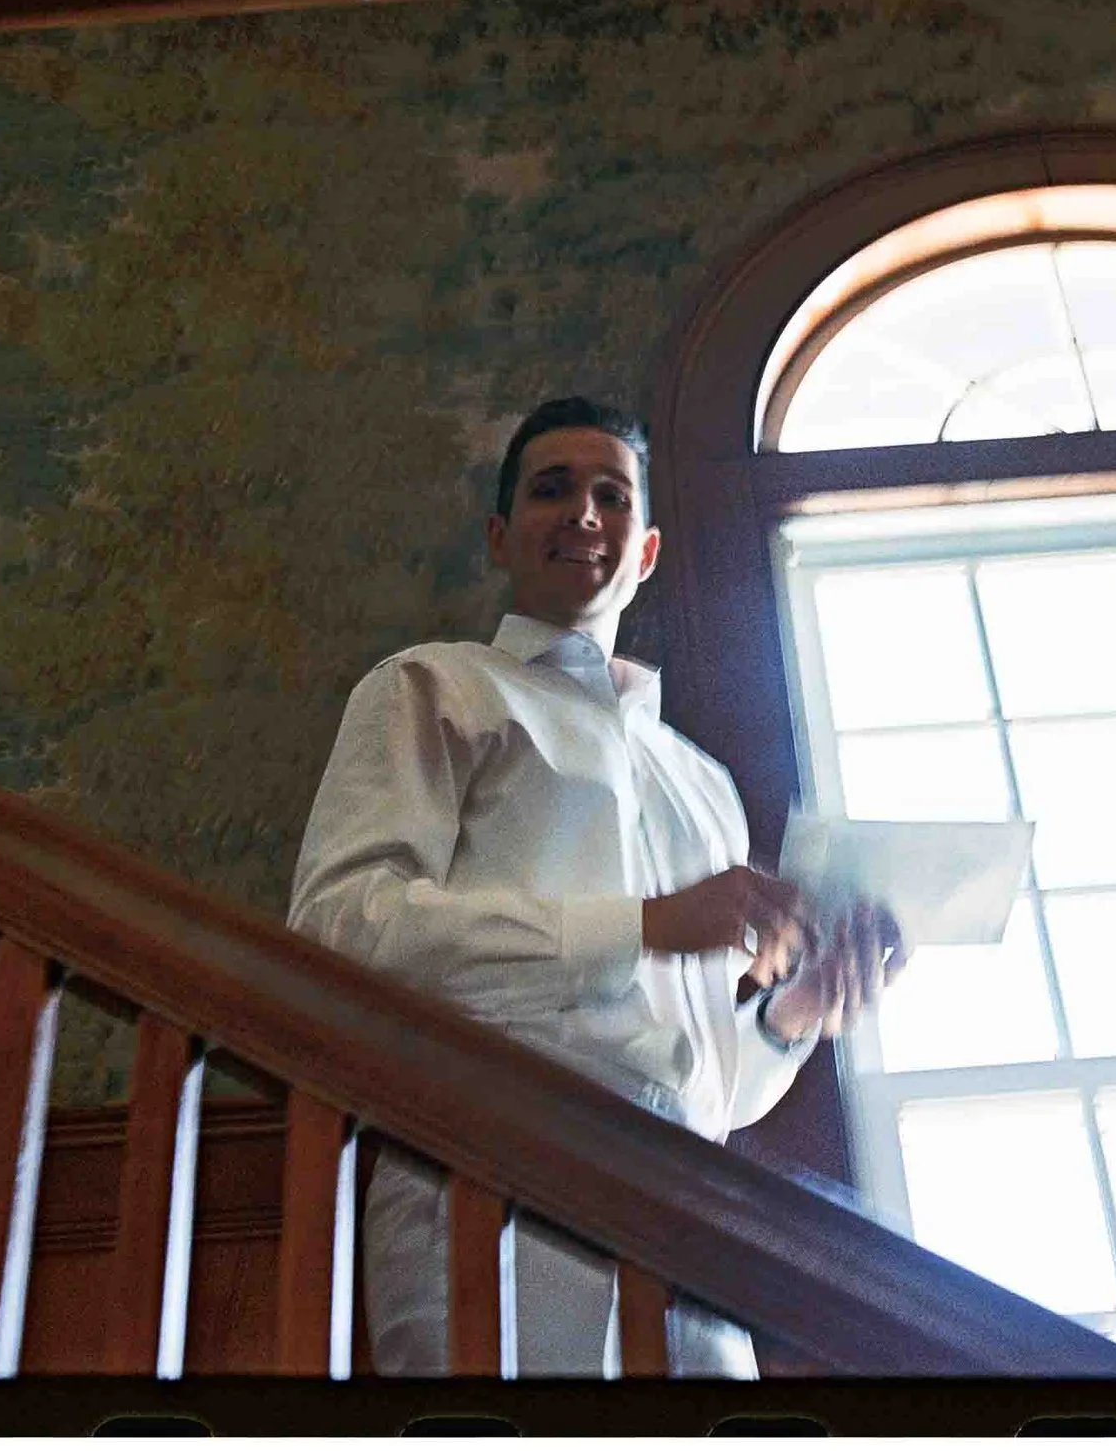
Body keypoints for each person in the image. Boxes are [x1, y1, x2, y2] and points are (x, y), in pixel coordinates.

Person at [287, 397, 901, 1378]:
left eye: (610, 494)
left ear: (645, 547)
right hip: (485, 1176)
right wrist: (646, 923)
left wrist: (790, 1018)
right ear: (500, 534)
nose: (583, 513)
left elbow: (705, 1082)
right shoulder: (433, 687)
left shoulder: (701, 783)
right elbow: (341, 925)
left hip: (684, 1214)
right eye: (551, 488)